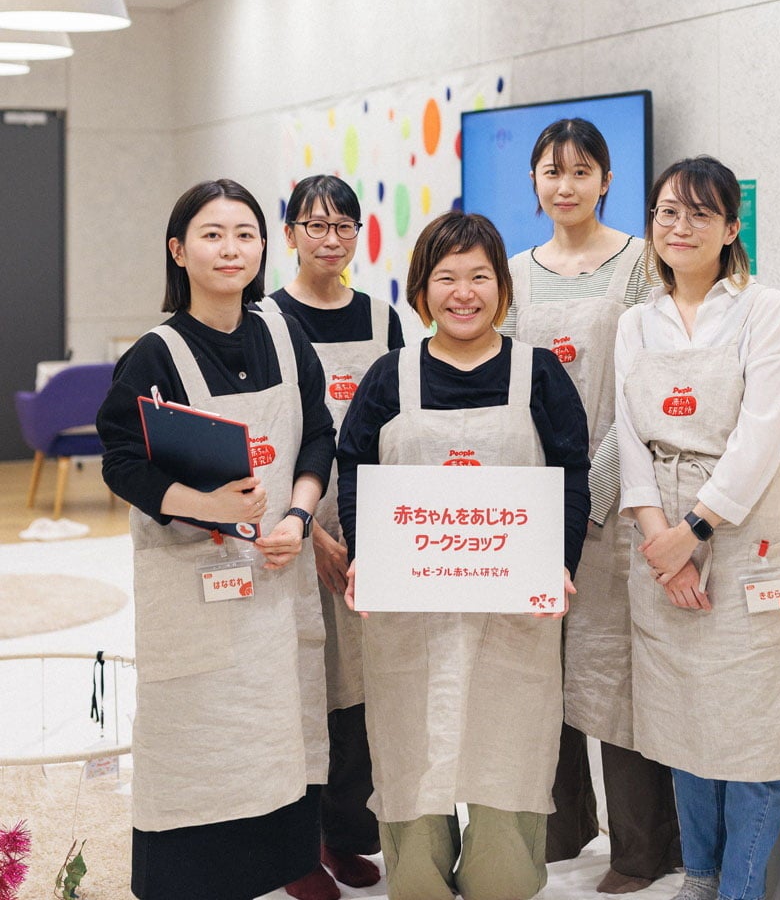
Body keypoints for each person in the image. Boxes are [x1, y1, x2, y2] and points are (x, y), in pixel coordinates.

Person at [337, 211, 591, 900]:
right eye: (446, 277)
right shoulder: (390, 376)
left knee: (507, 747)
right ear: (422, 289)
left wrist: (559, 563)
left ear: (502, 286)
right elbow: (354, 467)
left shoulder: (539, 374)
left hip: (512, 611)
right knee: (411, 747)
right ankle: (418, 879)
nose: (464, 293)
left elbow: (571, 471)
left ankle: (500, 877)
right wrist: (367, 553)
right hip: (410, 611)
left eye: (479, 276)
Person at [97, 178, 336, 900]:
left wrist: (297, 518)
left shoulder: (284, 336)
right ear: (178, 250)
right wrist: (207, 506)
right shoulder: (155, 354)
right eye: (211, 234)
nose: (230, 249)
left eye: (244, 234)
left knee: (278, 727)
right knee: (198, 738)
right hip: (195, 586)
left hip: (277, 578)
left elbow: (318, 436)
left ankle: (290, 864)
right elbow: (122, 462)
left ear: (263, 247)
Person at [615, 156, 780, 900]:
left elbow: (761, 436)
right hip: (662, 538)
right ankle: (698, 877)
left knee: (756, 735)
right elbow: (629, 440)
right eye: (668, 212)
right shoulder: (637, 322)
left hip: (746, 537)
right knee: (685, 725)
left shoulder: (764, 309)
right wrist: (661, 544)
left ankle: (740, 889)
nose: (681, 227)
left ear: (731, 228)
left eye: (701, 213)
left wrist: (692, 531)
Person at [502, 118, 682, 893]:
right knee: (537, 668)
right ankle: (561, 827)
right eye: (553, 171)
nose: (566, 185)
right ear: (534, 182)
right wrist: (533, 498)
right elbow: (501, 387)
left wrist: (590, 494)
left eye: (582, 171)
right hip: (532, 503)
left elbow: (647, 391)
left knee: (614, 672)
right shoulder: (513, 272)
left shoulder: (642, 263)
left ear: (607, 181)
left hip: (617, 501)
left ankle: (643, 850)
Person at [257, 174, 404, 900]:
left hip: (370, 524)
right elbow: (266, 435)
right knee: (301, 687)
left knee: (361, 690)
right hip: (290, 527)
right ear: (289, 234)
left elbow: (401, 423)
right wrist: (308, 529)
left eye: (344, 225)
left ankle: (345, 836)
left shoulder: (383, 318)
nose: (330, 239)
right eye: (314, 225)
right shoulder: (265, 321)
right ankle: (295, 850)